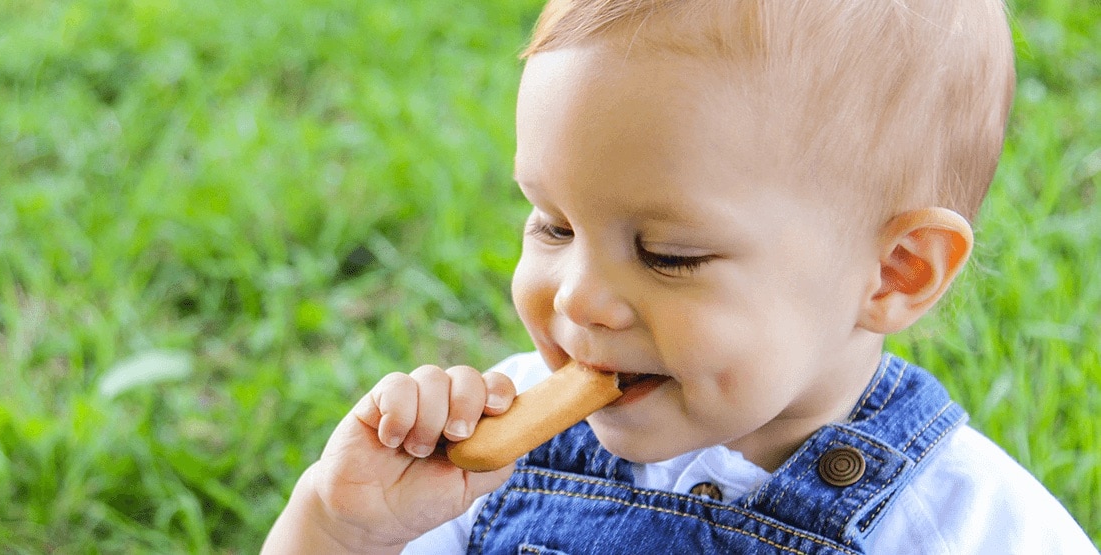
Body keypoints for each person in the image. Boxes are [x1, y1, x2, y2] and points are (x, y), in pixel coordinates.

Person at [263, 0, 1098, 552]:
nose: (579, 297)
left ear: (895, 271)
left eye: (668, 254)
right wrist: (338, 528)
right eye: (554, 224)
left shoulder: (970, 528)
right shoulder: (482, 466)